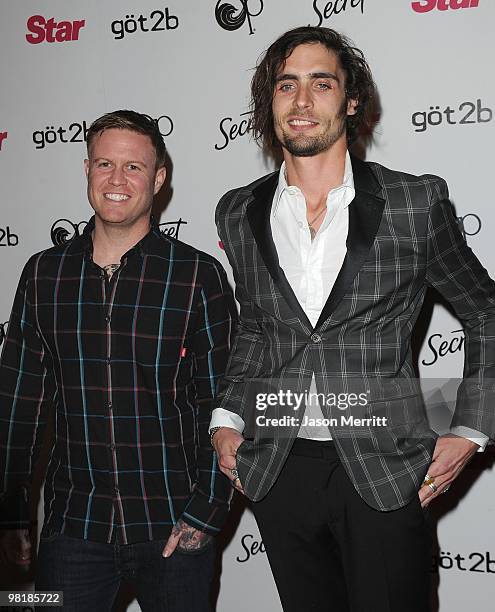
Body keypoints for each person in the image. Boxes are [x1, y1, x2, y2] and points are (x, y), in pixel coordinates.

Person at [209, 26, 495, 612]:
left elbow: (485, 309)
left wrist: (469, 429)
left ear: (352, 100)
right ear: (270, 102)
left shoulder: (414, 203)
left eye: (322, 83)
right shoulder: (239, 210)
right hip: (279, 466)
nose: (303, 101)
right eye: (286, 85)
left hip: (385, 470)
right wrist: (225, 418)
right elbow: (258, 328)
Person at [0, 110, 235, 611]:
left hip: (174, 524)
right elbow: (18, 405)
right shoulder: (44, 274)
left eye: (133, 167)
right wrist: (11, 514)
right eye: (105, 163)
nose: (116, 179)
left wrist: (208, 511)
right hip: (73, 527)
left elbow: (222, 400)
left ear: (159, 177)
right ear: (86, 169)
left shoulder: (197, 275)